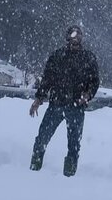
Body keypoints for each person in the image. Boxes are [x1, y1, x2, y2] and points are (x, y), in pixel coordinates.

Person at [29, 25, 100, 176]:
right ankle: (34, 168)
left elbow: (94, 82)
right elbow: (47, 79)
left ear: (81, 38)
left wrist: (87, 95)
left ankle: (69, 176)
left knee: (74, 144)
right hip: (56, 104)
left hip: (76, 107)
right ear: (67, 38)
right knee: (42, 137)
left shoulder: (89, 57)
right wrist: (38, 99)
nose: (76, 39)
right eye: (73, 36)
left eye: (78, 36)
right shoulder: (57, 56)